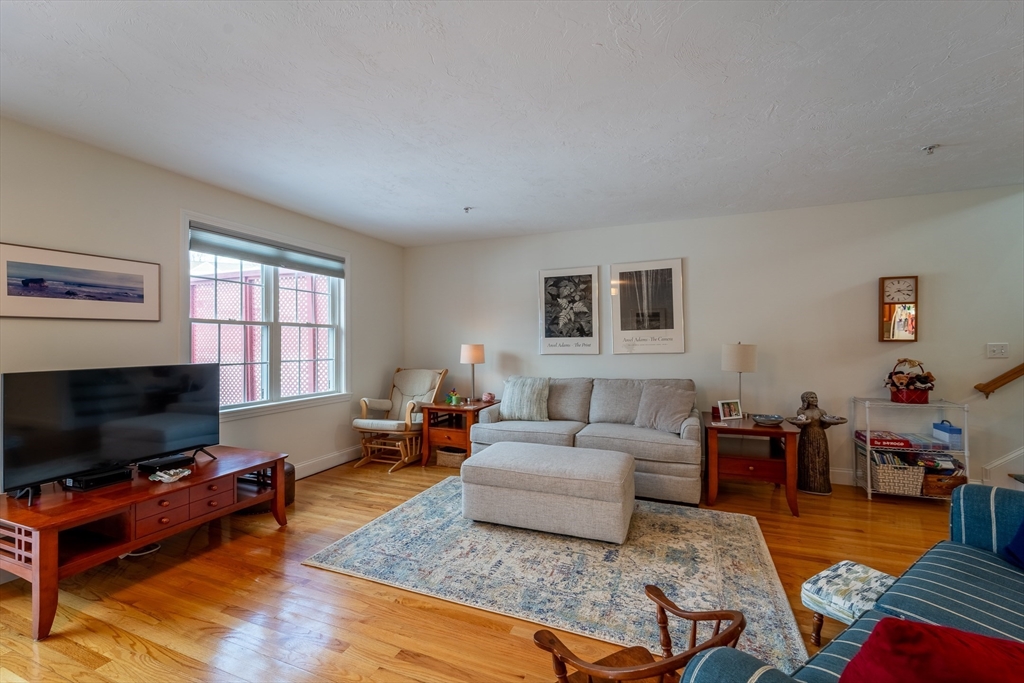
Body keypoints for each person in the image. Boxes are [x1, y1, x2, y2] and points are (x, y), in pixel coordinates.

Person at [789, 391, 846, 495]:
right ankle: (804, 484)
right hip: (806, 436)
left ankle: (822, 486)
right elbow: (801, 425)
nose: (815, 399)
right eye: (811, 397)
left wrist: (831, 423)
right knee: (806, 458)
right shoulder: (801, 412)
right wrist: (800, 423)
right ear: (805, 400)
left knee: (821, 458)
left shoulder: (821, 411)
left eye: (815, 397)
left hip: (820, 436)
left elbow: (824, 425)